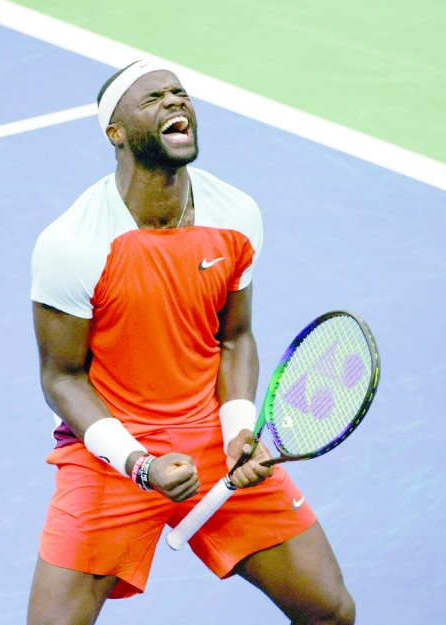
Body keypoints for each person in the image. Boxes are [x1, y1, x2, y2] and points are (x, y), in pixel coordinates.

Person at [27, 59, 355, 625]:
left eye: (180, 93)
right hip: (114, 450)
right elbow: (62, 378)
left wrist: (237, 433)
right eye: (154, 98)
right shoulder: (73, 244)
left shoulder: (236, 214)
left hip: (213, 435)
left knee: (330, 611)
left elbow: (236, 337)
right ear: (117, 133)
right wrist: (139, 465)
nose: (175, 102)